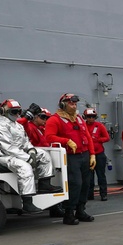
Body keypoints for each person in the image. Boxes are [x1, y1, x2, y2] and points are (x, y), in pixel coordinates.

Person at [0, 98, 57, 213]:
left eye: (19, 111)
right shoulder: (0, 125)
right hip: (0, 156)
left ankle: (45, 183)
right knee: (25, 167)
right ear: (4, 111)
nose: (17, 114)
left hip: (15, 154)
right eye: (14, 112)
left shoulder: (16, 125)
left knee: (43, 154)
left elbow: (25, 141)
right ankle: (27, 202)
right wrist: (28, 158)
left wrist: (31, 150)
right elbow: (7, 148)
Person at [44, 93, 95, 224]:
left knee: (85, 184)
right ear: (63, 104)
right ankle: (69, 213)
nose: (74, 105)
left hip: (84, 154)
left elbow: (88, 136)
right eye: (71, 103)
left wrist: (92, 154)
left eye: (75, 103)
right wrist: (66, 141)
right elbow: (49, 137)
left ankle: (80, 210)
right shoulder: (54, 120)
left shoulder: (78, 118)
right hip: (71, 157)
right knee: (75, 184)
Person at [83, 107, 111, 201]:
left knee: (101, 175)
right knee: (89, 176)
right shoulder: (83, 126)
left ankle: (103, 194)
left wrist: (97, 140)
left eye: (93, 117)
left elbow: (107, 137)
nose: (91, 118)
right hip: (88, 154)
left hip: (99, 154)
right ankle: (89, 194)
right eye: (89, 116)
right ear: (85, 117)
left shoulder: (99, 126)